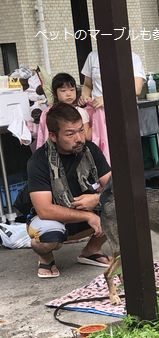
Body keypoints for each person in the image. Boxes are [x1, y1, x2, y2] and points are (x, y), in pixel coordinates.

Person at [27, 102, 112, 278]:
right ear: (53, 136)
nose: (79, 138)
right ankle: (45, 257)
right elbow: (44, 210)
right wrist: (88, 215)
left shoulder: (90, 150)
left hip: (89, 212)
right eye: (70, 134)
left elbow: (116, 183)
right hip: (53, 219)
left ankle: (91, 250)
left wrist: (98, 198)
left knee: (124, 203)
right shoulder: (38, 161)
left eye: (81, 130)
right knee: (49, 237)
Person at [77, 50, 146, 164]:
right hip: (97, 117)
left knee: (122, 155)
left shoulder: (132, 57)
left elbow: (136, 89)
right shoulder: (92, 56)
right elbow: (88, 85)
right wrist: (85, 96)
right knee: (99, 154)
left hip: (122, 115)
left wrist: (107, 98)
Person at [35, 73, 92, 150]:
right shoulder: (47, 112)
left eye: (72, 90)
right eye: (63, 90)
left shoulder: (81, 112)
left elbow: (86, 135)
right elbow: (42, 135)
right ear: (55, 93)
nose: (69, 94)